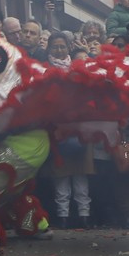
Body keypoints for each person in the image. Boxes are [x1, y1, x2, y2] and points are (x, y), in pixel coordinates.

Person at [42, 32, 94, 228]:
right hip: (57, 130)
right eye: (55, 47)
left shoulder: (77, 69)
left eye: (62, 46)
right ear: (49, 48)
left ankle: (84, 215)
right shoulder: (44, 70)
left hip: (80, 129)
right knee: (61, 176)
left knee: (81, 175)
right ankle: (63, 215)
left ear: (68, 48)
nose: (59, 50)